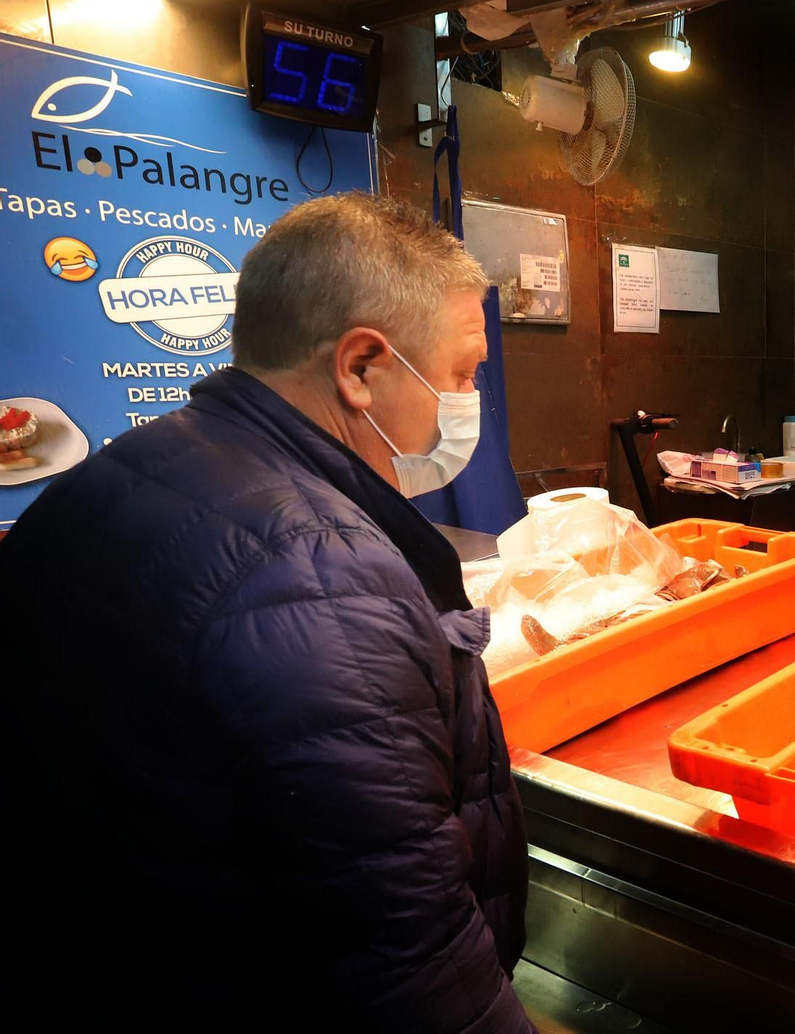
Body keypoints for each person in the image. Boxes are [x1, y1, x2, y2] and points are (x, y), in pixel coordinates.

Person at [0, 194, 535, 1032]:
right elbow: (411, 959)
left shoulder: (124, 468)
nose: (468, 400)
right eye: (465, 373)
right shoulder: (324, 575)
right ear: (362, 367)